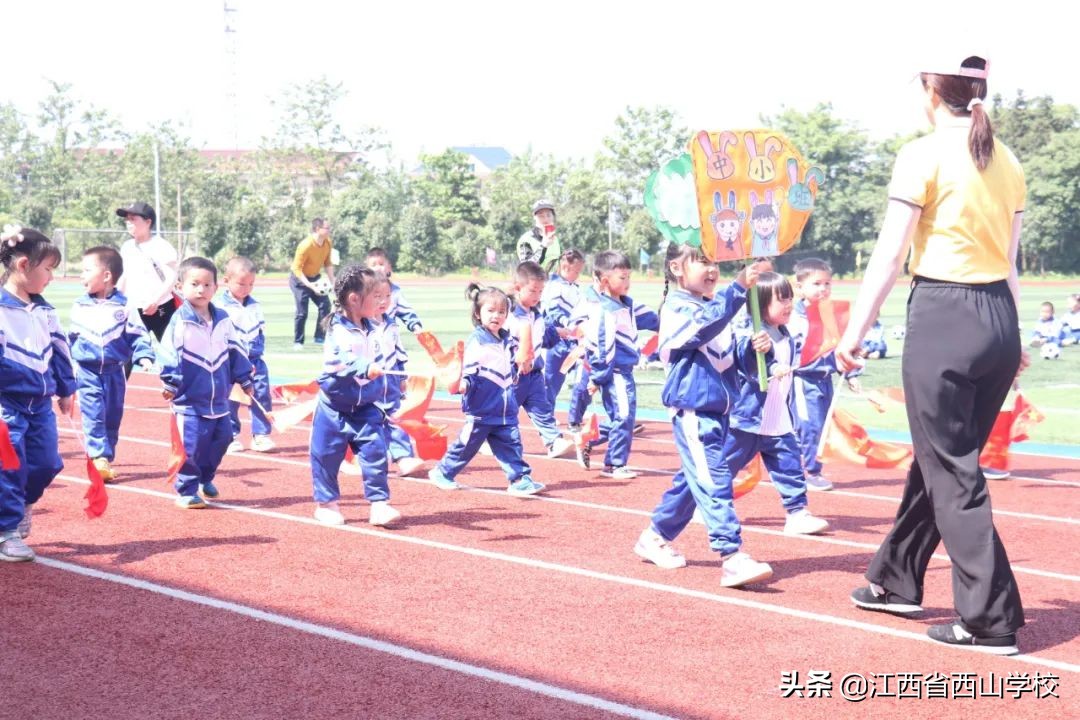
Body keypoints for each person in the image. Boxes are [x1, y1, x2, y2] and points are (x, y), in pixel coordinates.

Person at [836, 55, 1026, 655]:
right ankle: (895, 580)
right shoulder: (1008, 159)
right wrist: (1012, 337)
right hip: (997, 316)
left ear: (929, 90)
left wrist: (853, 333)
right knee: (940, 459)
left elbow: (890, 257)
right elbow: (1012, 260)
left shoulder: (921, 154)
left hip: (946, 315)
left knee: (953, 469)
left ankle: (990, 619)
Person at [633, 244, 775, 588]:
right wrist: (738, 290)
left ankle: (655, 535)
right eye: (701, 261)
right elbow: (701, 331)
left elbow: (731, 357)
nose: (711, 269)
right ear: (677, 268)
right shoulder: (678, 307)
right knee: (713, 480)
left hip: (720, 410)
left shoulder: (715, 307)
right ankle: (730, 555)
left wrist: (755, 350)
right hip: (694, 408)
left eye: (714, 262)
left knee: (694, 479)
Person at [723, 272, 832, 537]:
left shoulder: (787, 334)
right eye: (781, 299)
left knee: (789, 465)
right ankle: (704, 504)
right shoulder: (751, 335)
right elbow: (747, 367)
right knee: (724, 467)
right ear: (760, 305)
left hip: (778, 417)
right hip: (747, 420)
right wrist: (757, 352)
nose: (788, 305)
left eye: (790, 299)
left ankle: (797, 513)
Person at [0, 227, 76, 561]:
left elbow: (60, 351)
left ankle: (23, 506)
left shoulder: (45, 311)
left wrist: (66, 389)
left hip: (41, 404)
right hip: (7, 404)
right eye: (47, 269)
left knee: (46, 464)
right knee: (8, 466)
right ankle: (7, 531)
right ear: (23, 266)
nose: (51, 277)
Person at [427, 284, 545, 497]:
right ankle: (442, 472)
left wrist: (521, 365)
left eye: (501, 312)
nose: (496, 316)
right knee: (467, 446)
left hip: (505, 407)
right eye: (490, 311)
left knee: (511, 443)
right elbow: (469, 372)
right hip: (482, 407)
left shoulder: (507, 339)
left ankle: (518, 479)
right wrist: (464, 385)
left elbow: (510, 364)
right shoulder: (477, 341)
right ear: (477, 314)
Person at [309, 266, 401, 527]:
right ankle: (326, 505)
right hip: (333, 407)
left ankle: (379, 504)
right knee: (326, 455)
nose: (381, 302)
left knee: (375, 451)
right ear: (354, 299)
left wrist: (391, 388)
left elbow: (383, 359)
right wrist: (364, 367)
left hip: (365, 407)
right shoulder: (337, 329)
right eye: (375, 296)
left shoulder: (374, 328)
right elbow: (339, 359)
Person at [159, 257, 254, 509]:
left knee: (223, 438)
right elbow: (169, 352)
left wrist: (244, 378)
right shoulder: (180, 321)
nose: (201, 290)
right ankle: (187, 489)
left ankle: (206, 477)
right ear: (180, 286)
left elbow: (235, 349)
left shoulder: (222, 319)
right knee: (191, 446)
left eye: (207, 284)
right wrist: (170, 382)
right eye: (195, 284)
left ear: (215, 288)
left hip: (219, 399)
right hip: (189, 400)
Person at [69, 246, 154, 483]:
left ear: (106, 276)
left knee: (112, 416)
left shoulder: (125, 306)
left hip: (115, 371)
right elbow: (71, 338)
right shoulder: (80, 305)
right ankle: (98, 457)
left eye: (87, 270)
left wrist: (144, 356)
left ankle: (106, 456)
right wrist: (67, 364)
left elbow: (138, 335)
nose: (81, 275)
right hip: (87, 371)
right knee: (94, 413)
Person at [573, 250, 659, 479]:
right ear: (604, 280)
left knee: (625, 418)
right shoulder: (605, 311)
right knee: (623, 416)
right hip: (614, 372)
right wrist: (598, 378)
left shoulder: (628, 305)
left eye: (629, 276)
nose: (627, 282)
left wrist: (669, 314)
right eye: (622, 277)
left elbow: (654, 319)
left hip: (626, 372)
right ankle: (614, 464)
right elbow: (603, 348)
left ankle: (589, 437)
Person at [787, 258, 859, 492]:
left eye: (827, 283)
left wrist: (851, 374)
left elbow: (842, 348)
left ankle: (802, 466)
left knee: (823, 426)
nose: (823, 289)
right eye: (816, 284)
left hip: (825, 381)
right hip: (802, 380)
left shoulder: (831, 315)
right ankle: (810, 471)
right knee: (810, 426)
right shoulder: (793, 316)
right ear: (800, 287)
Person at [364, 247, 425, 477]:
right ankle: (362, 454)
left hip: (390, 376)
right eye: (377, 297)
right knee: (368, 418)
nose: (384, 302)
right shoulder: (359, 324)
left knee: (396, 414)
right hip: (367, 380)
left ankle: (403, 456)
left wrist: (401, 375)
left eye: (387, 297)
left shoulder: (390, 323)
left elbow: (397, 349)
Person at [506, 261, 575, 459]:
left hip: (535, 374)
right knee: (504, 414)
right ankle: (488, 438)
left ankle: (553, 441)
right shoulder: (511, 316)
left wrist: (561, 333)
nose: (538, 296)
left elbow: (542, 337)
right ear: (518, 288)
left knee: (542, 410)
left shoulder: (536, 314)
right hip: (514, 376)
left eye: (540, 291)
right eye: (533, 291)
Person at [220, 257, 275, 454]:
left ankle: (260, 435)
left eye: (251, 284)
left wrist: (256, 355)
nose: (246, 288)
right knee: (230, 398)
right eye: (241, 283)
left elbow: (260, 332)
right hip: (229, 363)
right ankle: (230, 435)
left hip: (255, 361)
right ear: (226, 280)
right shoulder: (219, 307)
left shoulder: (255, 305)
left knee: (261, 394)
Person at [115, 202, 178, 343]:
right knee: (127, 354)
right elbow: (125, 276)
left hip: (161, 309)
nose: (128, 223)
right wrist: (116, 298)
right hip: (134, 309)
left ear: (148, 222)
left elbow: (172, 277)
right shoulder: (127, 247)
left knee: (171, 353)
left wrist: (155, 301)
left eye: (133, 219)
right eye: (127, 219)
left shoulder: (161, 246)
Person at [540, 248, 586, 405]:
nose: (578, 275)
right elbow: (553, 312)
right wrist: (568, 324)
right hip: (554, 341)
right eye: (577, 271)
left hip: (569, 341)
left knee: (559, 380)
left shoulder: (573, 287)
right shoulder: (554, 286)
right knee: (550, 381)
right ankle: (544, 418)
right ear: (566, 268)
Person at [290, 217, 336, 350]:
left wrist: (333, 281)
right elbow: (296, 269)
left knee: (325, 305)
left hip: (315, 278)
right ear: (317, 229)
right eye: (327, 228)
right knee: (302, 312)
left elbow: (328, 263)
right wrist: (310, 286)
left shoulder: (327, 243)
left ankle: (319, 337)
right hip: (299, 280)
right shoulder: (305, 245)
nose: (329, 230)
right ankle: (298, 342)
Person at [518, 199, 558, 265]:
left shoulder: (555, 239)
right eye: (541, 216)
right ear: (534, 217)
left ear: (553, 217)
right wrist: (543, 246)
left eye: (548, 215)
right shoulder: (526, 239)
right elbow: (527, 267)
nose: (546, 219)